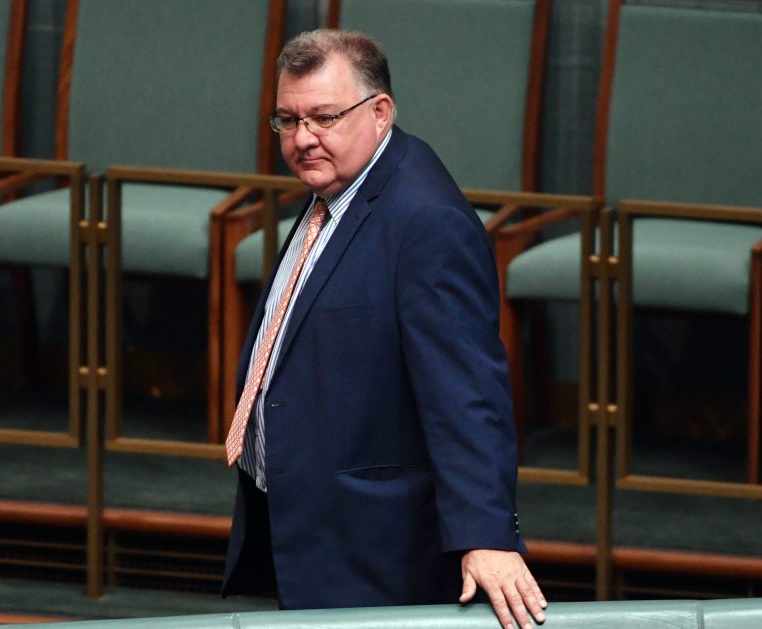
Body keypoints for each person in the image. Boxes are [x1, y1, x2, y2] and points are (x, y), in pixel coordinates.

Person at [222, 28, 546, 629]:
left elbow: (467, 393)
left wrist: (485, 534)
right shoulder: (340, 188)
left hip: (379, 554)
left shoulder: (426, 221)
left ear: (380, 112)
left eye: (323, 118)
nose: (303, 139)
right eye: (288, 121)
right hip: (320, 533)